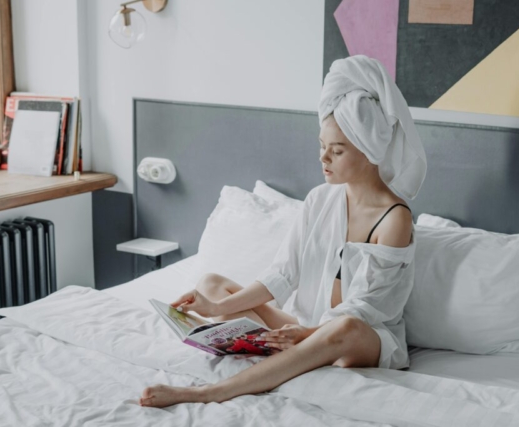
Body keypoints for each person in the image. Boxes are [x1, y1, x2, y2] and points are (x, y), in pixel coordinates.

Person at [139, 55, 427, 408]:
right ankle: (290, 356)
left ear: (369, 150)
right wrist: (218, 307)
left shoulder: (395, 217)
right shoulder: (319, 199)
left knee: (345, 327)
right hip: (305, 326)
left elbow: (364, 310)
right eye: (322, 147)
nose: (323, 159)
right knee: (212, 282)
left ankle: (210, 391)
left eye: (337, 151)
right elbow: (282, 275)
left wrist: (306, 334)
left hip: (363, 338)